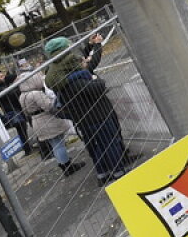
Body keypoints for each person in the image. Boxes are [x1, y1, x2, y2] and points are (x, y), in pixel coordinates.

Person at [44, 37, 130, 184]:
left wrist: (92, 46)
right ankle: (118, 171)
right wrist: (96, 79)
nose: (83, 62)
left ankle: (103, 173)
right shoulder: (75, 78)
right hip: (98, 114)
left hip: (82, 119)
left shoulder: (57, 75)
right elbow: (95, 88)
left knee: (96, 147)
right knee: (109, 143)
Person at [19, 70, 86, 177]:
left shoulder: (22, 96)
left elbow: (26, 111)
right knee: (59, 144)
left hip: (36, 120)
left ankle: (63, 164)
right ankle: (68, 166)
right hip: (47, 120)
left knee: (54, 145)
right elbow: (49, 106)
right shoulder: (36, 93)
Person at [0, 70, 35, 157]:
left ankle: (29, 147)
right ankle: (27, 149)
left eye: (3, 75)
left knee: (25, 128)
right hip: (12, 111)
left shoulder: (3, 85)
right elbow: (11, 94)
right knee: (22, 129)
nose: (4, 77)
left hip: (18, 108)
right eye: (1, 77)